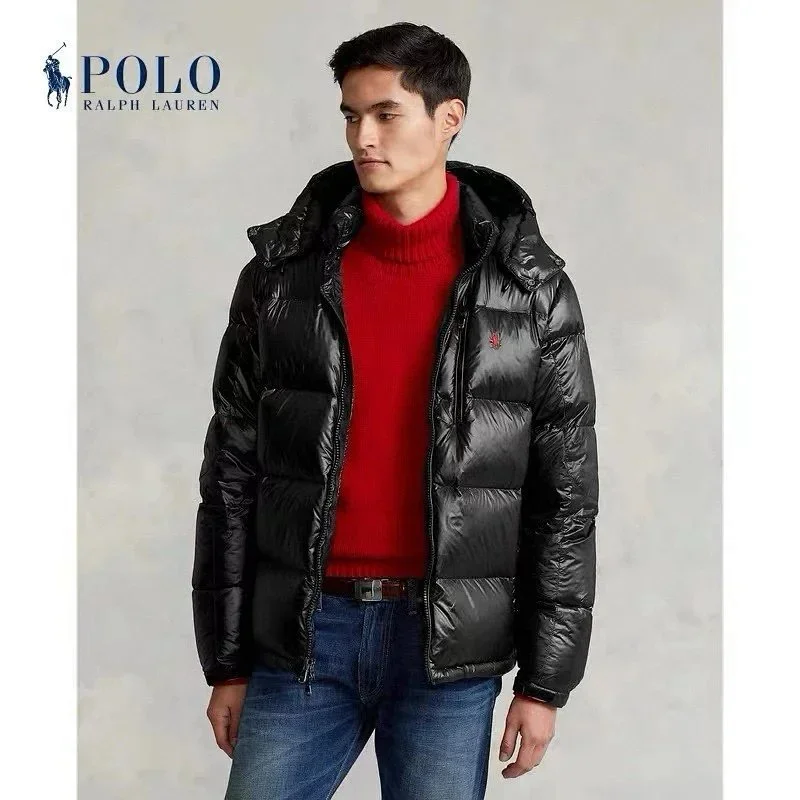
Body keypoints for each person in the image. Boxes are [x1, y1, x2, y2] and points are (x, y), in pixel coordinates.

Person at [191, 21, 598, 800]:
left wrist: (546, 682)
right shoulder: (281, 277)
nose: (363, 137)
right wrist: (228, 660)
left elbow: (566, 496)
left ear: (449, 118)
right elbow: (232, 474)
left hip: (447, 645)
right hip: (305, 635)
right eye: (351, 116)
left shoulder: (529, 290)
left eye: (386, 114)